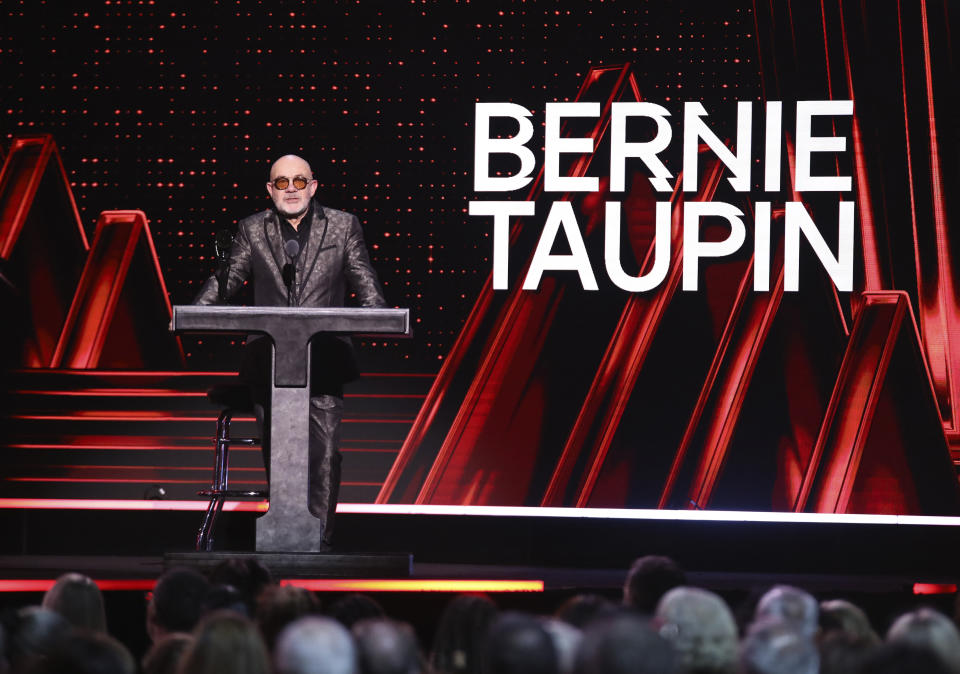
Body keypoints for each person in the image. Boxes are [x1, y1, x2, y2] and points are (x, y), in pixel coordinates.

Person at [193, 154, 387, 548]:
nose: (292, 189)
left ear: (313, 185)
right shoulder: (252, 229)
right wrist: (196, 311)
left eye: (299, 181)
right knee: (281, 457)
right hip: (271, 365)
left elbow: (364, 280)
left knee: (325, 458)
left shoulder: (343, 225)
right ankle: (285, 540)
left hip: (325, 363)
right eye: (282, 183)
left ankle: (319, 543)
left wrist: (377, 314)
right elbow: (228, 278)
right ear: (270, 190)